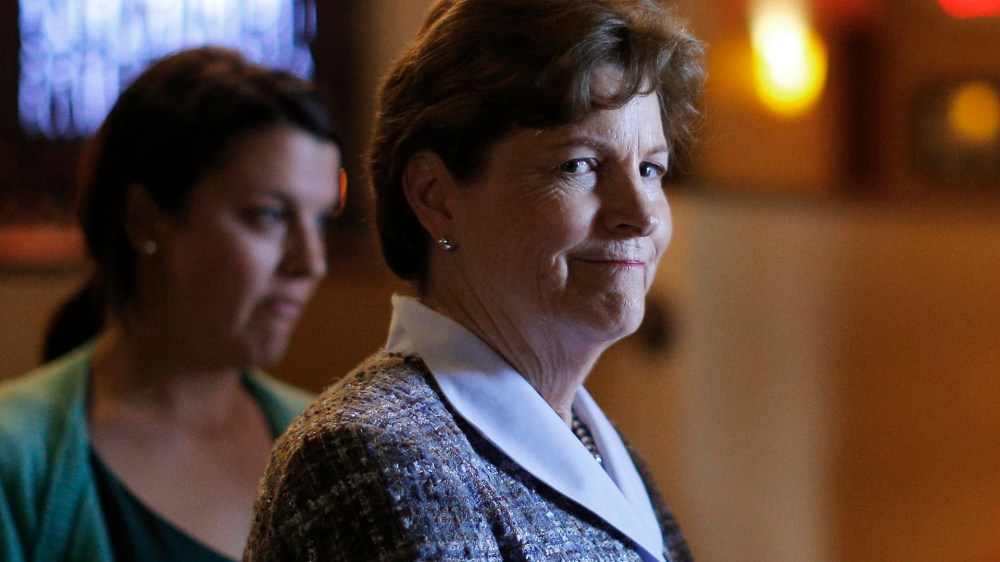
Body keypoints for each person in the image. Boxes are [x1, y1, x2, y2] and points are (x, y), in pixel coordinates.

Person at [246, 0, 704, 560]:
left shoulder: (605, 448)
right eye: (578, 165)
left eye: (650, 169)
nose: (641, 213)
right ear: (434, 196)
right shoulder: (375, 454)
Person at [0, 46, 344, 562]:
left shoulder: (329, 445)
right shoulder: (17, 458)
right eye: (270, 215)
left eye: (319, 221)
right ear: (143, 218)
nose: (311, 262)